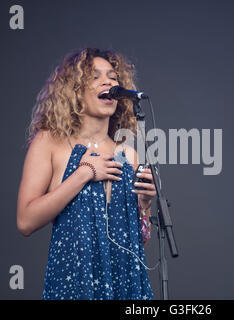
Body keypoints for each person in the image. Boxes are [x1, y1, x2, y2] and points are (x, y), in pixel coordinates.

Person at [16, 47, 156, 300]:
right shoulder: (50, 142)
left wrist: (144, 205)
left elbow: (136, 244)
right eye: (94, 76)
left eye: (113, 77)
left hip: (125, 286)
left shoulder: (129, 153)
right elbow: (26, 222)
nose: (108, 82)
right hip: (74, 285)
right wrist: (84, 173)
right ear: (75, 89)